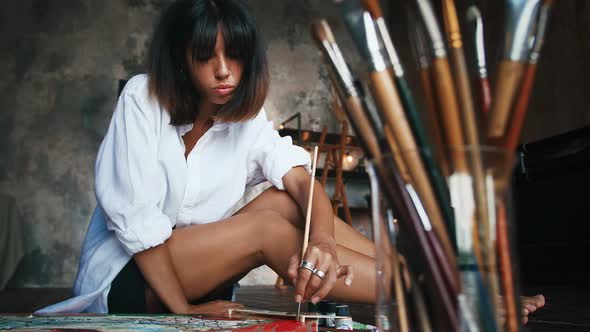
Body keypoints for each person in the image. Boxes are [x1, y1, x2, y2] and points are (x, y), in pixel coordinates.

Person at [38, 0, 544, 324]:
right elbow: (139, 225)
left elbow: (302, 185)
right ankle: (447, 295)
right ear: (181, 57)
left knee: (286, 204)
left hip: (201, 267)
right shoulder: (141, 98)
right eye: (206, 57)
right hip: (130, 279)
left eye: (234, 57)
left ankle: (441, 279)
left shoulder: (245, 120)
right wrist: (186, 311)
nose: (223, 71)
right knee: (268, 234)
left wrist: (321, 240)